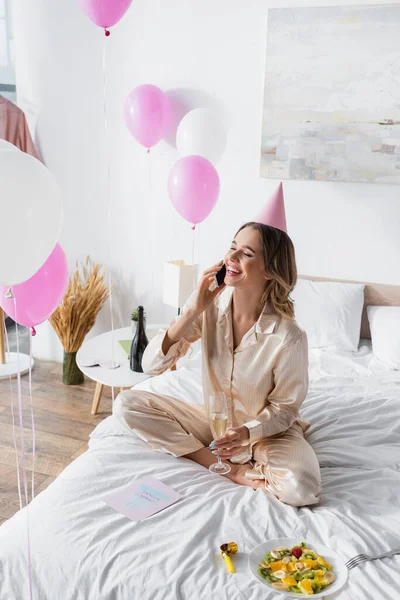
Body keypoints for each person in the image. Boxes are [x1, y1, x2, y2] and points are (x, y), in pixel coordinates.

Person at [114, 222, 321, 507]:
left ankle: (253, 463)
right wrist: (191, 311)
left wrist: (248, 433)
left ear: (270, 270)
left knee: (301, 486)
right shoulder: (208, 307)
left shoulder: (289, 337)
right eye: (232, 247)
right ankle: (222, 466)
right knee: (126, 404)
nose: (231, 258)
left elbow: (285, 409)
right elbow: (150, 366)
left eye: (246, 253)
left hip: (267, 433)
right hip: (214, 424)